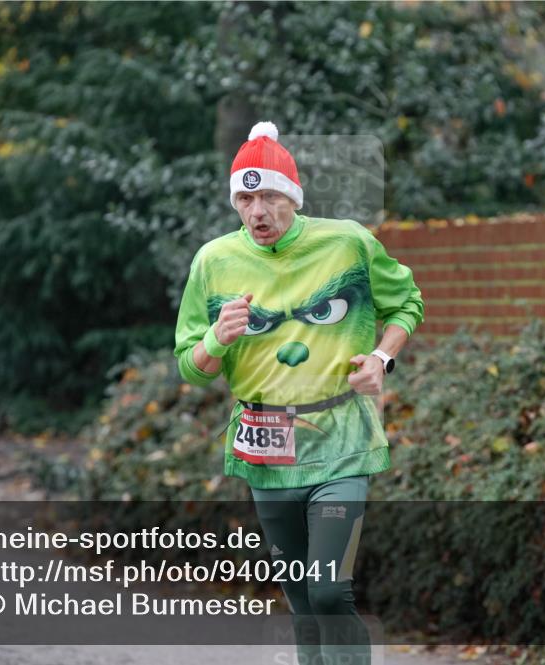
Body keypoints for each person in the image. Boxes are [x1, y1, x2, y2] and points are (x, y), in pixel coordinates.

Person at [173, 121, 424, 665]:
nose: (257, 211)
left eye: (268, 197)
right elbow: (191, 368)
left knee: (330, 590)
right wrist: (216, 338)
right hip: (266, 445)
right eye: (245, 197)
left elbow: (407, 302)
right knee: (303, 599)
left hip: (342, 438)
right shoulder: (213, 262)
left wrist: (382, 357)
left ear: (292, 196)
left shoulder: (347, 243)